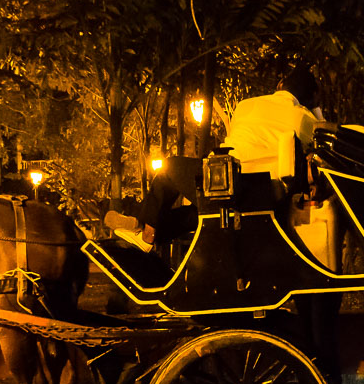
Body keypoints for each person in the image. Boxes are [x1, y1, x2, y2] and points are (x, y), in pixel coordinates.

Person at [106, 67, 320, 252]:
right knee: (197, 215)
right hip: (264, 195)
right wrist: (314, 109)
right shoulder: (304, 117)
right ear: (309, 98)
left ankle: (146, 229)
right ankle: (144, 231)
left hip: (223, 183)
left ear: (281, 84)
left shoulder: (247, 105)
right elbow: (319, 141)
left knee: (170, 168)